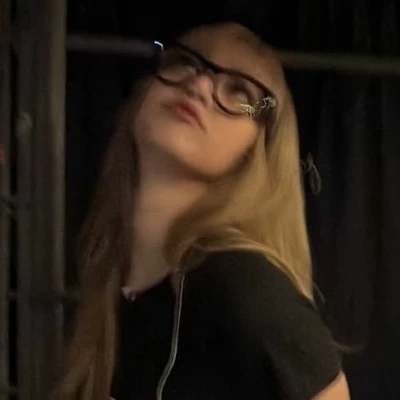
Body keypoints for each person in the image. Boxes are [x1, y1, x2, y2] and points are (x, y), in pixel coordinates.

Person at [53, 22, 350, 400]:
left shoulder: (239, 283)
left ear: (256, 150)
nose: (200, 85)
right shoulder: (119, 278)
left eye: (239, 91)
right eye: (185, 62)